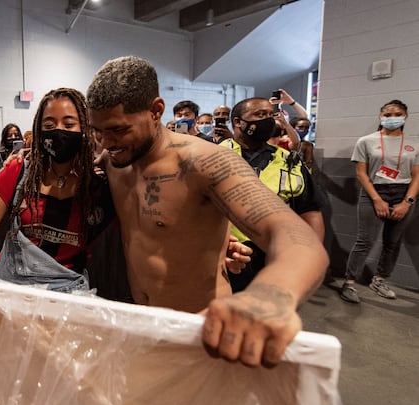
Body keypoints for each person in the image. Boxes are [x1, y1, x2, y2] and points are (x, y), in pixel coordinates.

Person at [86, 56, 328, 368]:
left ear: (156, 111)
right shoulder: (113, 158)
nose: (106, 141)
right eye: (98, 130)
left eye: (118, 129)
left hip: (202, 334)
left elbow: (296, 236)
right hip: (142, 326)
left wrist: (271, 293)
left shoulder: (206, 163)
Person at [0, 88, 116, 291]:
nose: (58, 131)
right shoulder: (19, 171)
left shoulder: (97, 187)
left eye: (69, 124)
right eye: (49, 125)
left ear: (85, 129)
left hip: (67, 295)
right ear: (39, 130)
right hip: (12, 288)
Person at [220, 97, 324, 292]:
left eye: (271, 115)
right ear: (237, 122)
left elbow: (311, 210)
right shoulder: (213, 155)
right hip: (225, 254)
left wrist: (311, 256)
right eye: (260, 114)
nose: (268, 120)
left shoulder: (288, 160)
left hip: (275, 255)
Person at [341, 99, 418, 303]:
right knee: (364, 241)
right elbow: (361, 174)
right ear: (380, 117)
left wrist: (407, 202)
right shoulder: (366, 141)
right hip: (374, 191)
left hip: (403, 193)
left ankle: (380, 279)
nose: (392, 118)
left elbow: (417, 176)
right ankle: (349, 283)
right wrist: (377, 199)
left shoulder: (413, 144)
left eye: (397, 114)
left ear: (405, 117)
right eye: (387, 114)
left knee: (392, 242)